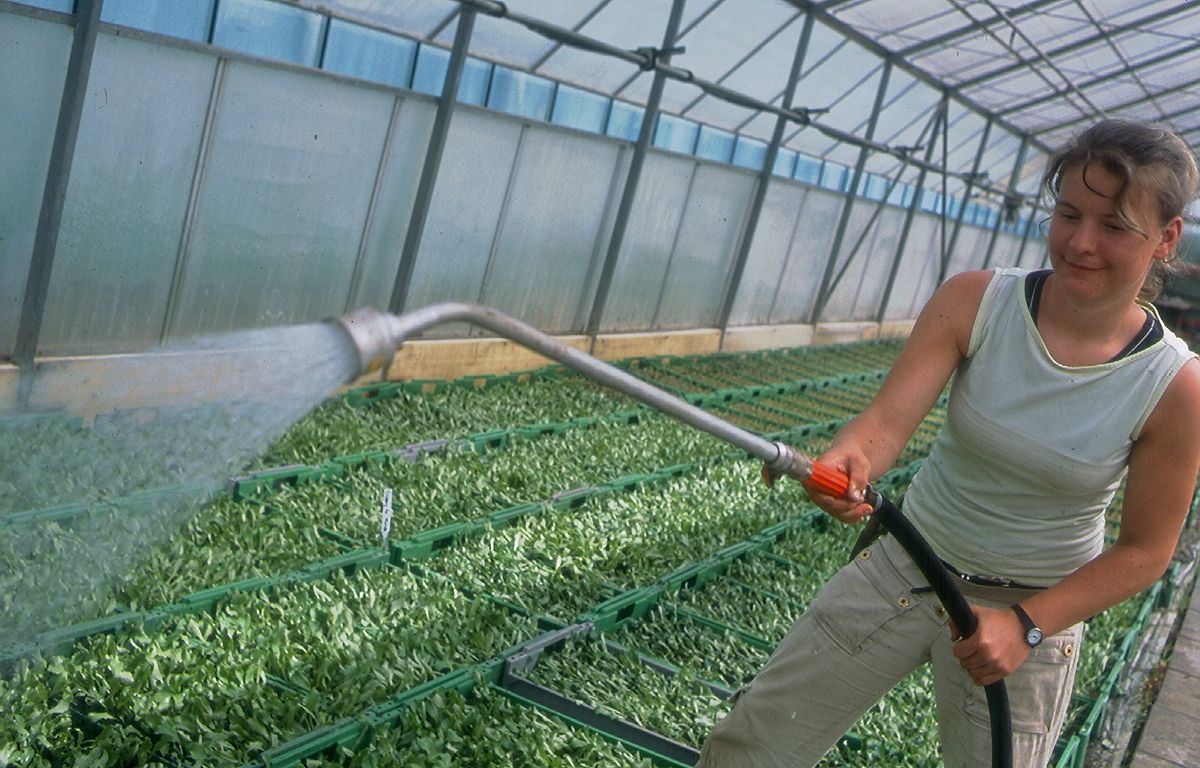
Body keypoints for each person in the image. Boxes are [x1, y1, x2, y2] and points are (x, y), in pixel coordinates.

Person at [697, 119, 1200, 767]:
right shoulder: (976, 300)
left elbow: (1144, 553)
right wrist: (851, 460)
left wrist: (1025, 624)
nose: (1079, 242)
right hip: (905, 568)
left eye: (1114, 227)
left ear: (1165, 239)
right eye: (1068, 214)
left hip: (1031, 614)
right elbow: (884, 423)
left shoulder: (1173, 384)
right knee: (749, 749)